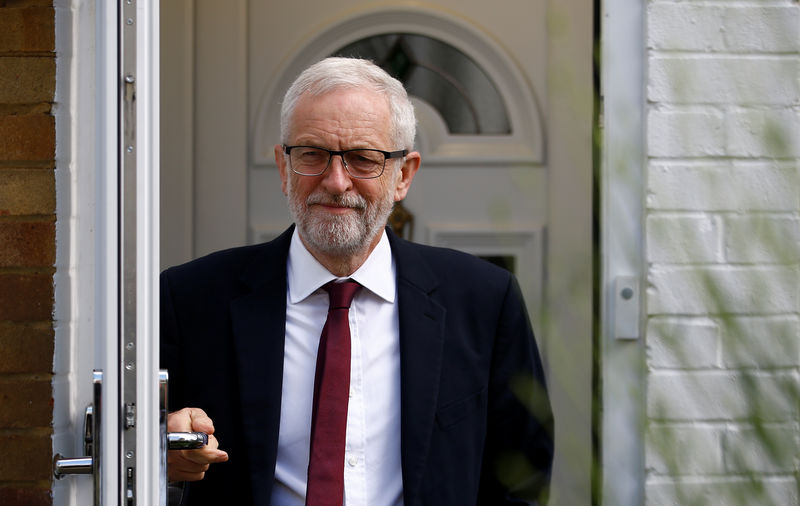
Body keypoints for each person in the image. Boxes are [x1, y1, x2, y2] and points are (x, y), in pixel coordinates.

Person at [161, 57, 553, 506]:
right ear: (284, 167)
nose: (335, 181)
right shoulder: (190, 299)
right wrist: (163, 444)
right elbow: (130, 451)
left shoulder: (485, 300)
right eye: (312, 154)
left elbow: (523, 475)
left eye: (363, 159)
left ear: (403, 175)